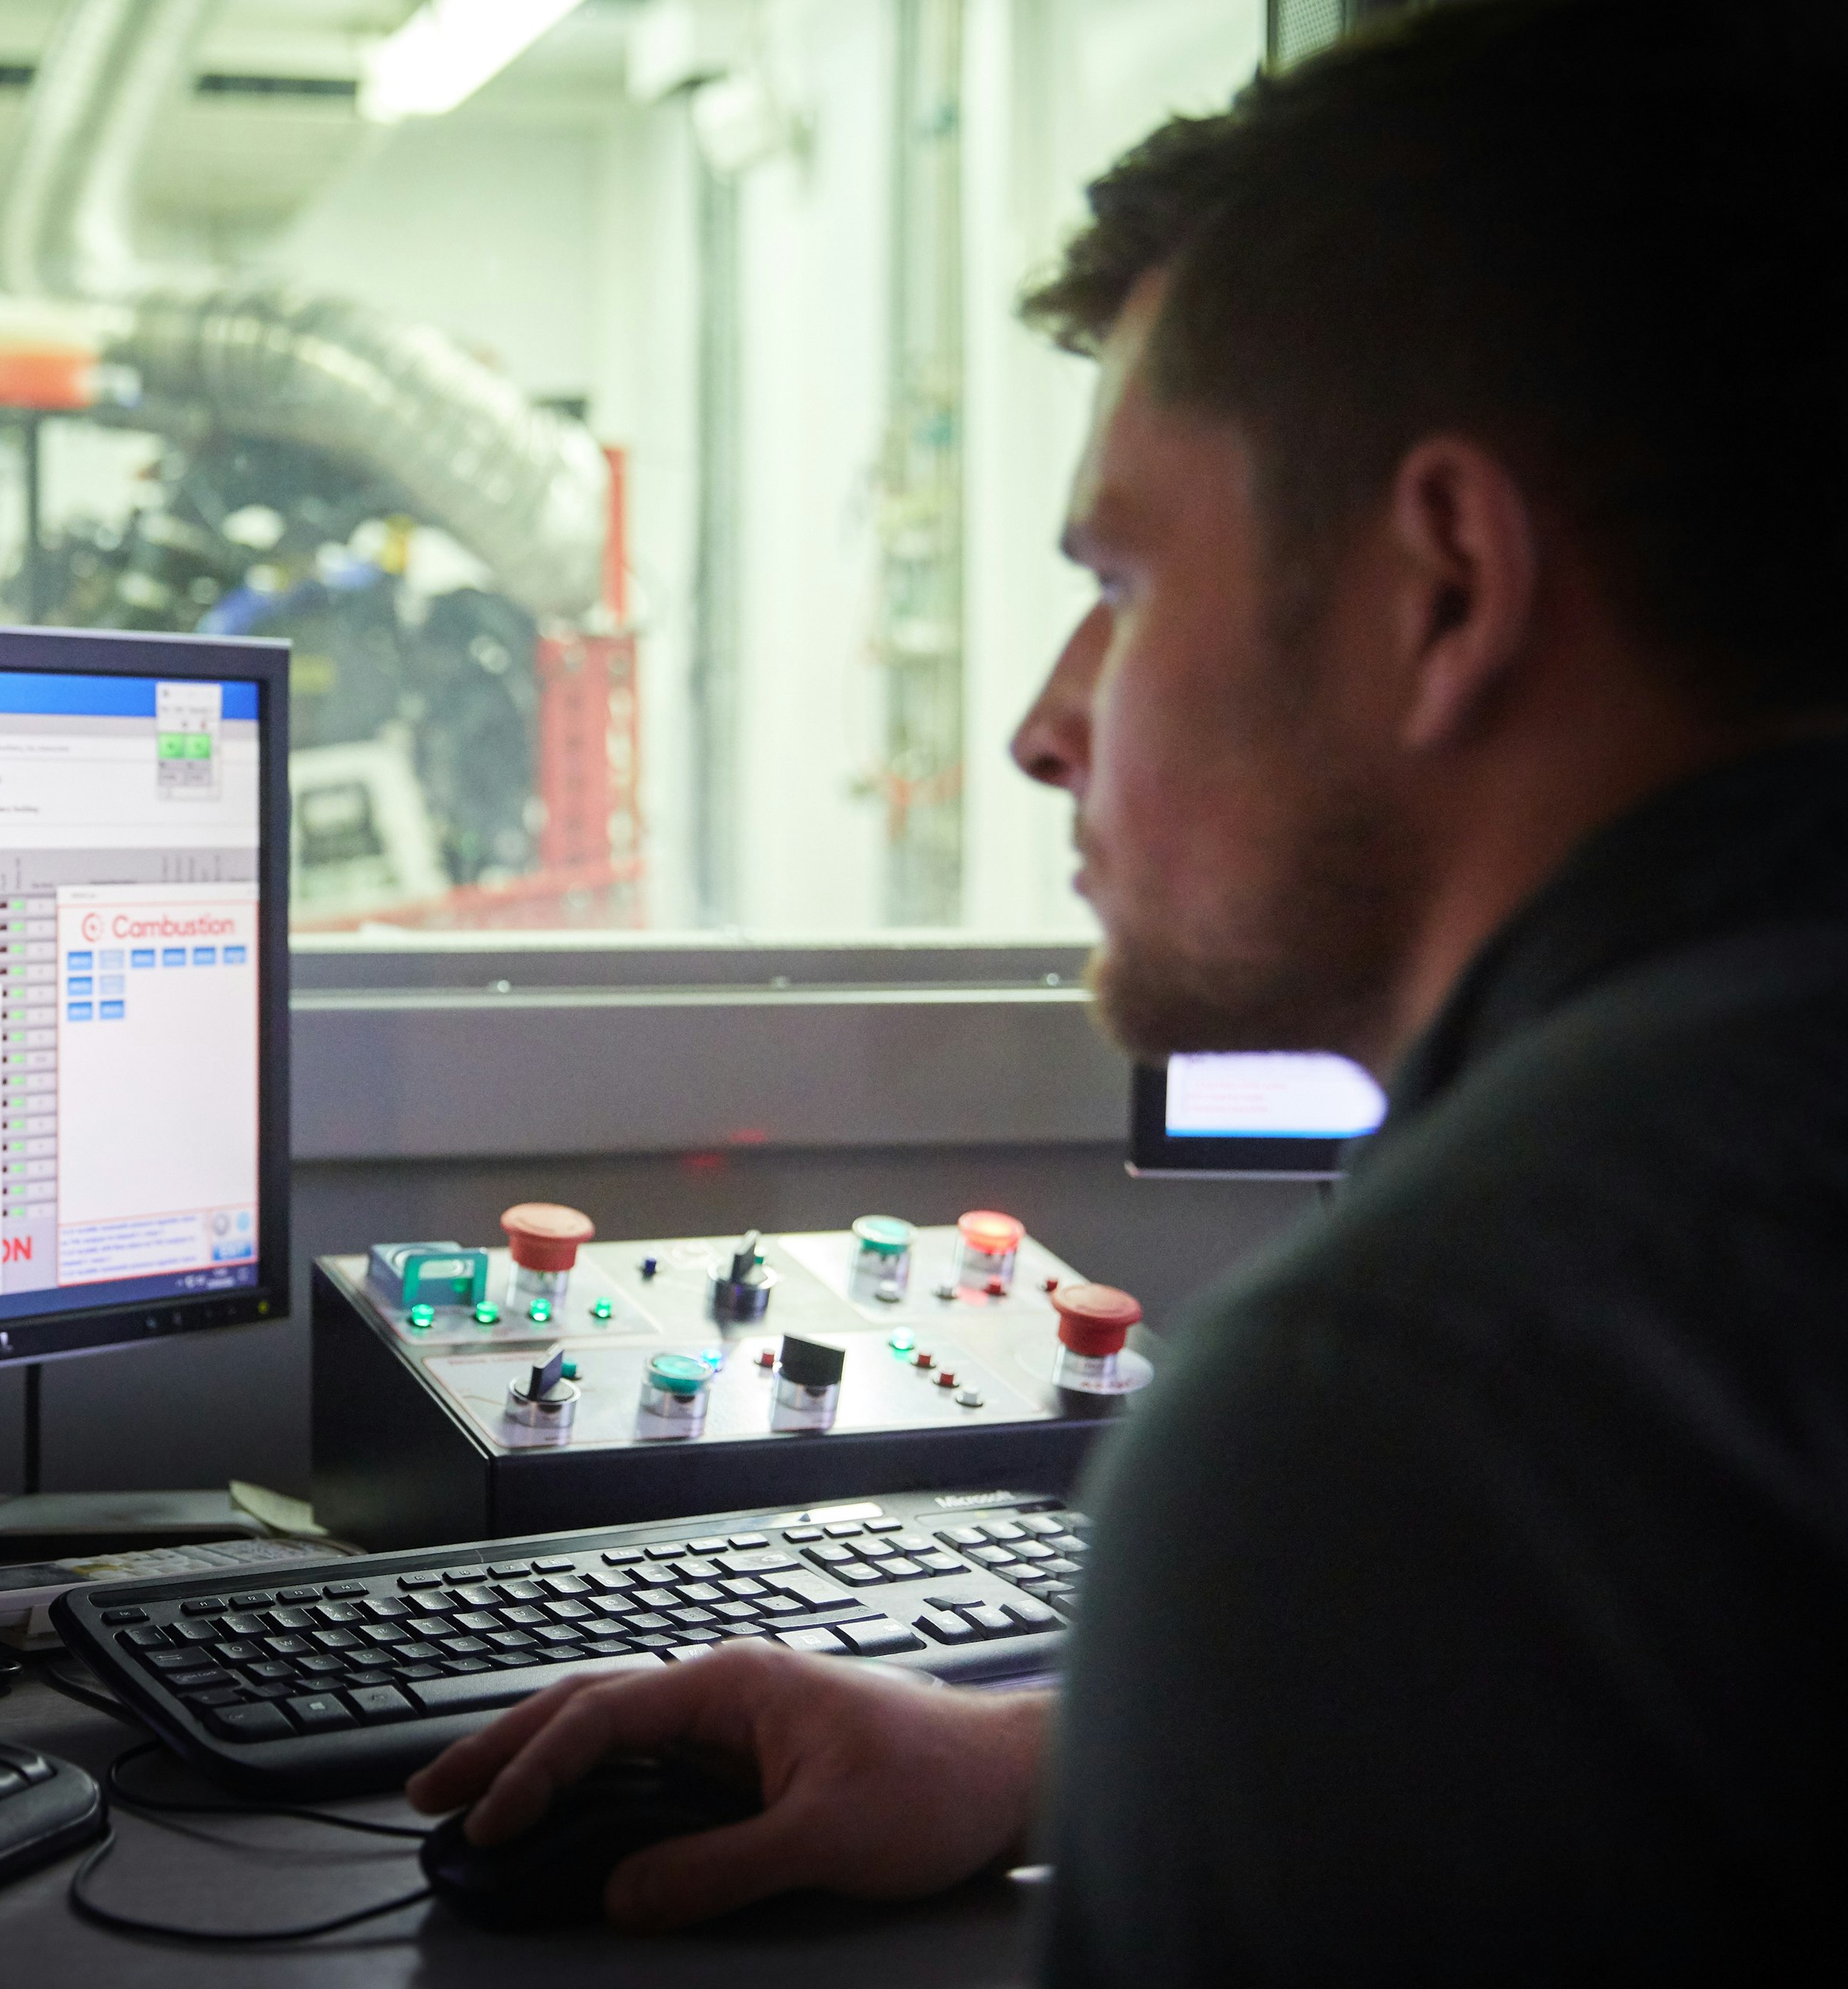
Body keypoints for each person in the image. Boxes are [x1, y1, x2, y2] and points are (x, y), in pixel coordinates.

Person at [405, 1, 1848, 1977]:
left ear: (1444, 590)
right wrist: (1042, 1758)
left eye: (1127, 583)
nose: (1041, 724)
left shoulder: (1399, 1418)